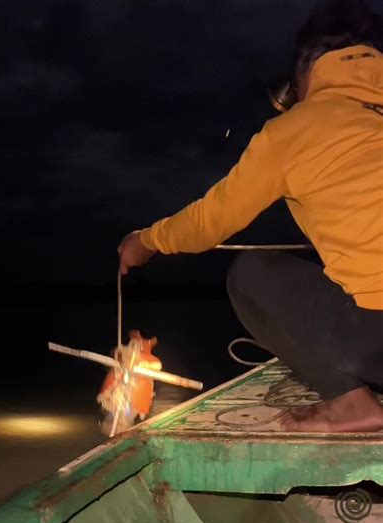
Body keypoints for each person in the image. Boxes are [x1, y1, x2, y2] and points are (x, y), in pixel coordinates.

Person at [117, 0, 383, 433]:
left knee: (253, 273)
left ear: (310, 67)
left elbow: (210, 221)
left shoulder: (292, 131)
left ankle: (354, 404)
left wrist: (145, 241)